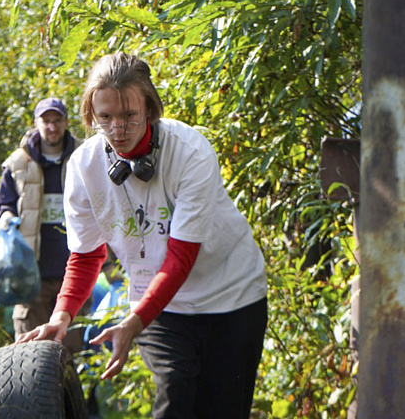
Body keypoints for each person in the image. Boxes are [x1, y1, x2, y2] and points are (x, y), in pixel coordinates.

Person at [17, 53, 268, 418]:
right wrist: (62, 315)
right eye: (105, 117)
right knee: (176, 393)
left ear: (149, 109)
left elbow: (181, 256)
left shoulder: (190, 152)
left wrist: (133, 323)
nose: (117, 128)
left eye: (129, 115)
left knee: (223, 408)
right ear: (91, 114)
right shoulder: (84, 167)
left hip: (233, 295)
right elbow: (87, 255)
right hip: (159, 303)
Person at [0, 97, 88, 353]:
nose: (52, 127)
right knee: (29, 349)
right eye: (46, 121)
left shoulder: (84, 158)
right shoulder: (18, 163)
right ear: (36, 123)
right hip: (30, 272)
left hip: (74, 272)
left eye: (57, 120)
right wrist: (6, 217)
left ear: (67, 122)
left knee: (70, 352)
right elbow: (2, 205)